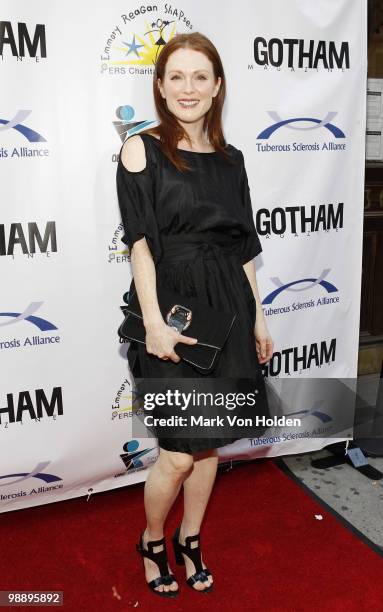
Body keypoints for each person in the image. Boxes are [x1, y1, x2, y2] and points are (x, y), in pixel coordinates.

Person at [116, 32, 274, 598]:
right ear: (159, 86)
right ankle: (153, 540)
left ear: (217, 86)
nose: (188, 88)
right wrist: (155, 323)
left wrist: (258, 318)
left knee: (210, 443)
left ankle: (191, 537)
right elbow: (140, 245)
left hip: (230, 308)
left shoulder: (233, 161)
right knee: (178, 452)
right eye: (176, 77)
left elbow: (243, 250)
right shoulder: (142, 149)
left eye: (199, 76)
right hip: (175, 313)